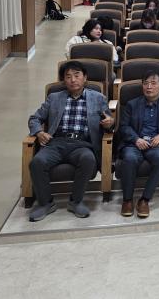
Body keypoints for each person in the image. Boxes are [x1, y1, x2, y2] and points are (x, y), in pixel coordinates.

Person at [27, 61, 113, 222]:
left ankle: (76, 201)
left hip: (82, 144)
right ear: (63, 80)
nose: (73, 80)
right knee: (37, 162)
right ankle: (46, 203)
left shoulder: (98, 98)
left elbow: (109, 122)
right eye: (68, 76)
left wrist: (109, 123)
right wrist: (39, 132)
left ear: (85, 78)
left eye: (77, 75)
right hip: (56, 142)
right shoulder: (54, 98)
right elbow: (35, 118)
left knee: (88, 159)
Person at [118, 71, 159, 218]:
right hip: (134, 144)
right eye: (145, 83)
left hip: (154, 144)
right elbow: (123, 126)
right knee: (129, 158)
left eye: (153, 83)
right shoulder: (132, 104)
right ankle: (127, 200)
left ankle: (144, 199)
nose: (149, 87)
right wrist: (136, 139)